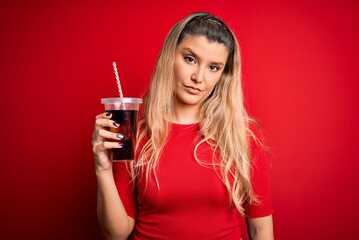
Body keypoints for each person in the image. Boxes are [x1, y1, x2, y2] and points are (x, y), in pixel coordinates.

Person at [92, 12, 274, 240]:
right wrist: (103, 169)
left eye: (214, 67)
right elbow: (116, 234)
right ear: (170, 56)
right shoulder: (132, 133)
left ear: (223, 75)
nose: (199, 77)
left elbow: (260, 230)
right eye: (190, 59)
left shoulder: (241, 135)